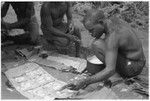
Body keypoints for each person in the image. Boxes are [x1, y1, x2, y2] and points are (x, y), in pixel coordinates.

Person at [61, 9, 146, 90]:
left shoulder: (113, 36)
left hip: (133, 67)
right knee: (97, 44)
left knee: (97, 44)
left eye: (92, 30)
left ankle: (118, 75)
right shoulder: (113, 21)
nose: (90, 34)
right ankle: (112, 69)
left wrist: (85, 81)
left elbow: (110, 69)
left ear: (101, 22)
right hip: (136, 61)